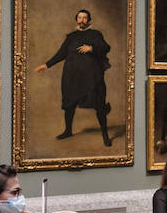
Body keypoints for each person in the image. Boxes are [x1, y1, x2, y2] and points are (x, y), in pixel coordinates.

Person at [33, 9, 112, 147]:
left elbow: (106, 47)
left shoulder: (96, 34)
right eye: (79, 17)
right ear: (76, 20)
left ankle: (105, 135)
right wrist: (46, 65)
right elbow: (61, 54)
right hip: (72, 76)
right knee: (69, 104)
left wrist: (92, 48)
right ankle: (68, 130)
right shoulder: (71, 37)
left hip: (92, 77)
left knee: (99, 104)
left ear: (89, 20)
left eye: (85, 17)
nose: (82, 20)